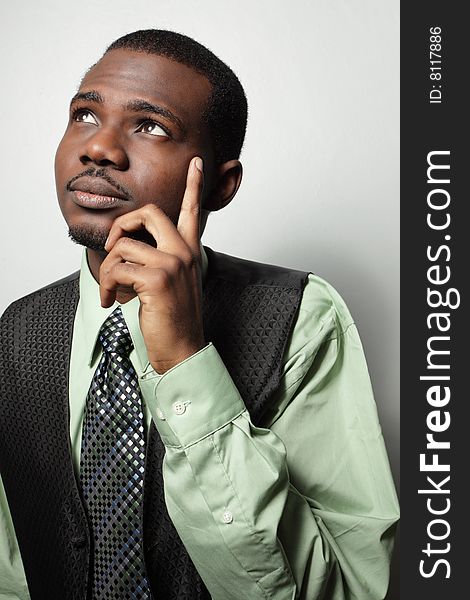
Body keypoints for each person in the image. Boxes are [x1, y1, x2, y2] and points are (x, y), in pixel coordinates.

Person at [0, 29, 399, 600]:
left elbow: (352, 589)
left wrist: (187, 360)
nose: (100, 148)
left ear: (221, 183)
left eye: (151, 126)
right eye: (85, 115)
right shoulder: (16, 333)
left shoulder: (300, 319)